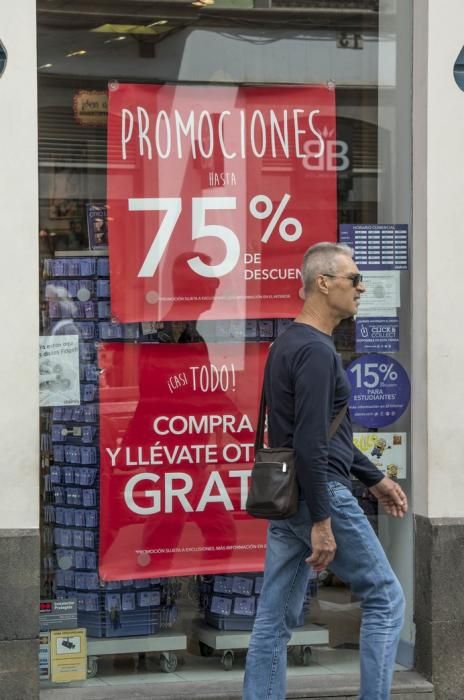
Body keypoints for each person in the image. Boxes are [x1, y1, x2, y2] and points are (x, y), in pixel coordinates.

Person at [243, 242, 408, 700]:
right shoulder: (317, 353)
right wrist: (321, 521)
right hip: (320, 497)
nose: (361, 287)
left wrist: (374, 476)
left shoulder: (286, 344)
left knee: (272, 622)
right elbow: (311, 443)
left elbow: (316, 436)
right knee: (387, 600)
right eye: (353, 279)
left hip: (287, 498)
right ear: (323, 283)